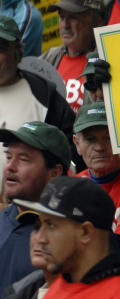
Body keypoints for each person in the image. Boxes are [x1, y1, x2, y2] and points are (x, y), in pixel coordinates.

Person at [0, 18, 74, 194]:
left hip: (25, 214)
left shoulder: (44, 96)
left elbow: (71, 155)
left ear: (17, 53)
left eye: (1, 48)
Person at [0, 121, 71, 291]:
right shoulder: (2, 219)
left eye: (23, 159)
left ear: (54, 173)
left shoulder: (71, 238)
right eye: (9, 157)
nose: (10, 166)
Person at [72, 102, 120, 239]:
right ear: (77, 144)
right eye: (90, 139)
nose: (100, 147)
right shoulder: (70, 188)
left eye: (108, 138)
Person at [40, 0, 103, 111]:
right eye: (62, 16)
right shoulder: (49, 57)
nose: (65, 25)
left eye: (74, 17)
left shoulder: (106, 61)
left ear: (97, 22)